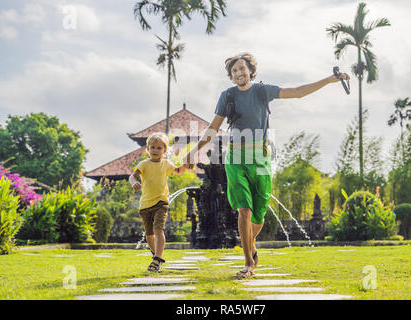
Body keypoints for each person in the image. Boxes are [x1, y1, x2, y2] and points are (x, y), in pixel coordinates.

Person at [183, 52, 350, 278]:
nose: (239, 73)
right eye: (234, 71)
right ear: (231, 77)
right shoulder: (227, 96)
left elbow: (298, 92)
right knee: (244, 208)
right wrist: (195, 150)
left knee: (259, 214)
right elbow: (213, 127)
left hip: (261, 157)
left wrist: (329, 80)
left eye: (242, 68)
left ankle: (249, 244)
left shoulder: (263, 91)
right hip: (236, 158)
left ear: (251, 70)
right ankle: (248, 263)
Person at [129, 132, 187, 272]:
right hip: (145, 205)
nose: (155, 150)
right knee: (149, 234)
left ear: (165, 150)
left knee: (158, 229)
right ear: (147, 149)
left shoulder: (166, 163)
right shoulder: (143, 164)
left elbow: (178, 171)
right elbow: (133, 176)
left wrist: (186, 163)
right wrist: (134, 182)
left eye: (159, 148)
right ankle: (155, 255)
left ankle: (157, 258)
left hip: (161, 202)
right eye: (152, 147)